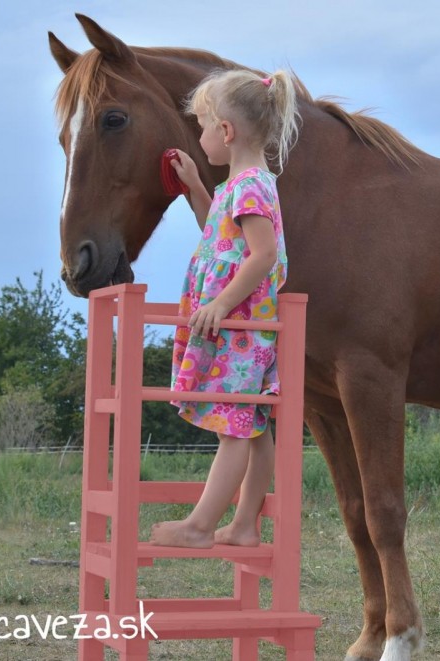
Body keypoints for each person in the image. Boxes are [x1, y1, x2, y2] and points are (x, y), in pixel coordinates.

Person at [150, 69, 299, 549]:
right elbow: (219, 239)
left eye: (202, 126)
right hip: (238, 324)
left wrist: (220, 302)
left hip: (240, 328)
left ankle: (199, 526)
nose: (200, 137)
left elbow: (262, 255)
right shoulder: (241, 185)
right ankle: (245, 524)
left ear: (227, 131)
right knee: (249, 427)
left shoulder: (252, 186)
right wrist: (196, 186)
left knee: (234, 428)